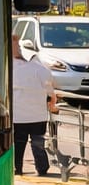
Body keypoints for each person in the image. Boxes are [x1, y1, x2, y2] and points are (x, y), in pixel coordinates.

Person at [12, 34, 58, 176]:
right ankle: (42, 168)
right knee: (38, 143)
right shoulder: (41, 69)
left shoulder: (11, 68)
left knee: (19, 144)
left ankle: (17, 168)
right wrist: (52, 102)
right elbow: (51, 91)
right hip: (38, 115)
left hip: (18, 116)